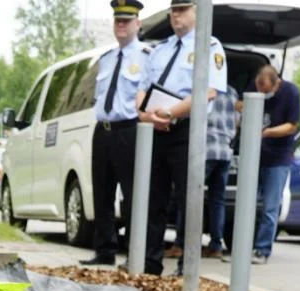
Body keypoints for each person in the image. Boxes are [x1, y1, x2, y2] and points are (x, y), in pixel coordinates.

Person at [137, 0, 226, 276]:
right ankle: (150, 263)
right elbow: (141, 90)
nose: (177, 16)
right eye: (173, 11)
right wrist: (148, 115)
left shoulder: (209, 47)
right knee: (154, 199)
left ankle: (186, 267)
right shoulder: (160, 50)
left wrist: (170, 113)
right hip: (157, 129)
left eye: (183, 10)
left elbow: (209, 91)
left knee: (189, 199)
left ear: (196, 12)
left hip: (187, 130)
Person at [81, 0, 150, 267]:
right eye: (117, 21)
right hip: (103, 129)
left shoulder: (146, 57)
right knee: (102, 192)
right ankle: (104, 250)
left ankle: (134, 252)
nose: (121, 25)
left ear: (137, 24)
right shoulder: (106, 59)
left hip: (129, 130)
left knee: (132, 193)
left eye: (126, 21)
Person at [251, 65, 299, 264]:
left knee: (270, 207)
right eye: (259, 90)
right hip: (254, 157)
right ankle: (244, 245)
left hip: (278, 158)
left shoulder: (290, 92)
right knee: (248, 204)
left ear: (276, 83)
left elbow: (292, 126)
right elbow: (240, 104)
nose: (262, 94)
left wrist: (266, 132)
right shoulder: (257, 86)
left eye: (266, 91)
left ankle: (262, 250)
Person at [202, 82, 237, 257]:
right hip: (224, 151)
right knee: (217, 200)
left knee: (189, 196)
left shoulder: (203, 88)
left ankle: (181, 244)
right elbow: (237, 121)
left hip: (206, 149)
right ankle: (216, 244)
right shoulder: (232, 92)